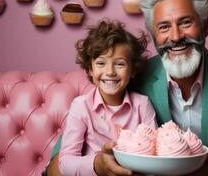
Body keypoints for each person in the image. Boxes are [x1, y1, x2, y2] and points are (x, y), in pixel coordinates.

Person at [47, 0, 208, 175]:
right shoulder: (131, 74)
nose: (176, 36)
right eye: (164, 27)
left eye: (186, 22)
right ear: (154, 35)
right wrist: (98, 166)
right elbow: (58, 163)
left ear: (205, 26)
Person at [56, 19, 157, 176]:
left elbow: (154, 154)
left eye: (120, 64)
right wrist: (98, 165)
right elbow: (65, 163)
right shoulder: (81, 106)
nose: (110, 72)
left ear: (133, 70)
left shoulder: (142, 105)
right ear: (90, 69)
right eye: (101, 63)